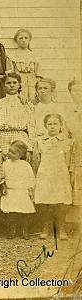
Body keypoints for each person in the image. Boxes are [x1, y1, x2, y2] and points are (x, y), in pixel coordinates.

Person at [34, 113, 73, 240]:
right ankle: (46, 227)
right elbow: (36, 161)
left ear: (61, 125)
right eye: (49, 124)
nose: (52, 126)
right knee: (45, 201)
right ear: (45, 126)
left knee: (61, 200)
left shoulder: (66, 142)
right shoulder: (40, 142)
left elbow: (67, 162)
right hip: (45, 174)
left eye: (55, 123)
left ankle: (61, 227)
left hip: (60, 174)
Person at [0, 73, 34, 154]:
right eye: (8, 83)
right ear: (4, 85)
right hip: (3, 137)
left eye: (14, 82)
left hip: (21, 137)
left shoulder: (26, 104)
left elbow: (31, 126)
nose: (12, 85)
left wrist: (30, 147)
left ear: (19, 84)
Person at [0, 140, 35, 240]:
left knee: (24, 212)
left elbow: (30, 178)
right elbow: (2, 177)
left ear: (20, 154)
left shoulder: (25, 165)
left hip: (22, 191)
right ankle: (12, 230)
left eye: (13, 152)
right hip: (11, 191)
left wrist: (30, 190)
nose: (9, 154)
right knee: (11, 213)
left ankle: (25, 230)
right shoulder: (5, 164)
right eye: (9, 151)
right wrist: (4, 187)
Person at [66, 80, 82, 229]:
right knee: (74, 180)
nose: (78, 94)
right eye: (74, 91)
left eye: (80, 90)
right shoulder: (67, 111)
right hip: (75, 149)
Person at [9, 29, 40, 102]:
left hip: (32, 83)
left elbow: (38, 74)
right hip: (19, 83)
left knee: (32, 102)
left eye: (26, 38)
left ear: (29, 40)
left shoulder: (34, 56)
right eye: (21, 38)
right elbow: (10, 74)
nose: (23, 40)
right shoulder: (12, 55)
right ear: (16, 40)